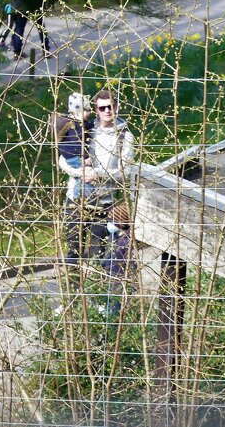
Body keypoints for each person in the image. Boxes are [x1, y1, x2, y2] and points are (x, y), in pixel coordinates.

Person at [82, 88, 137, 317]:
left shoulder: (126, 136)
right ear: (96, 109)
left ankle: (117, 309)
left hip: (114, 206)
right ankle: (94, 307)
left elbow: (126, 172)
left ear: (116, 107)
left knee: (115, 259)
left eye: (110, 107)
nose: (106, 111)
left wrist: (99, 174)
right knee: (91, 256)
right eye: (102, 107)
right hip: (89, 202)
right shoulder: (90, 132)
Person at [55, 92, 94, 261]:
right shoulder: (75, 126)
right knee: (74, 232)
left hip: (80, 164)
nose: (89, 113)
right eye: (86, 110)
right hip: (75, 163)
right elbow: (64, 155)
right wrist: (83, 165)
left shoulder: (83, 126)